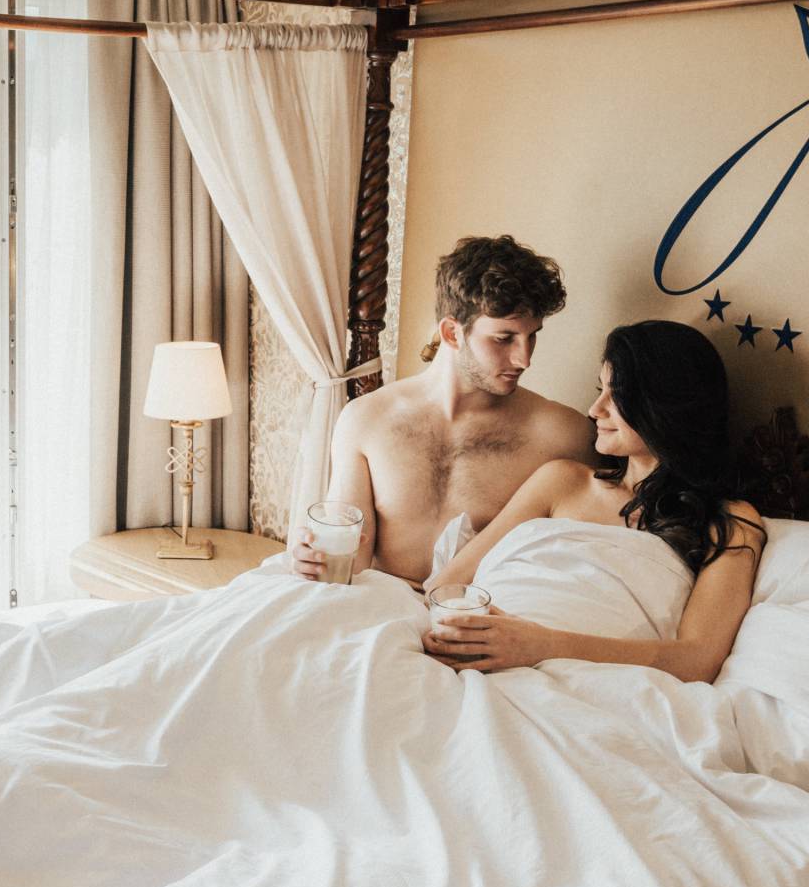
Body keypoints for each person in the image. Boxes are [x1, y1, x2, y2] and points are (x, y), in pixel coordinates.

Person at [421, 320, 766, 685]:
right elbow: (448, 584)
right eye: (600, 390)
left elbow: (696, 659)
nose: (594, 409)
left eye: (615, 396)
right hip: (471, 664)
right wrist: (453, 631)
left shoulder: (730, 522)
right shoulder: (561, 481)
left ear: (666, 406)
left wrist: (541, 644)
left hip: (591, 682)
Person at [291, 234, 595, 587]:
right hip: (379, 607)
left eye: (532, 336)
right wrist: (311, 557)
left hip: (480, 619)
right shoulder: (366, 420)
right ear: (452, 333)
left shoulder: (562, 434)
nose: (524, 359)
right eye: (504, 338)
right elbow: (348, 563)